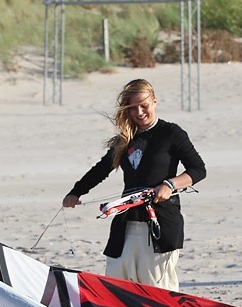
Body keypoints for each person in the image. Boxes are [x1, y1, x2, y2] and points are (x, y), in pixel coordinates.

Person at [62, 79, 206, 291]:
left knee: (157, 291)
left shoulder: (171, 133)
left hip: (160, 224)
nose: (139, 112)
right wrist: (76, 192)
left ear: (154, 102)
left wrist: (169, 185)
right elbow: (101, 169)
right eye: (132, 108)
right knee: (117, 283)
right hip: (126, 223)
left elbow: (198, 169)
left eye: (144, 105)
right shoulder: (125, 139)